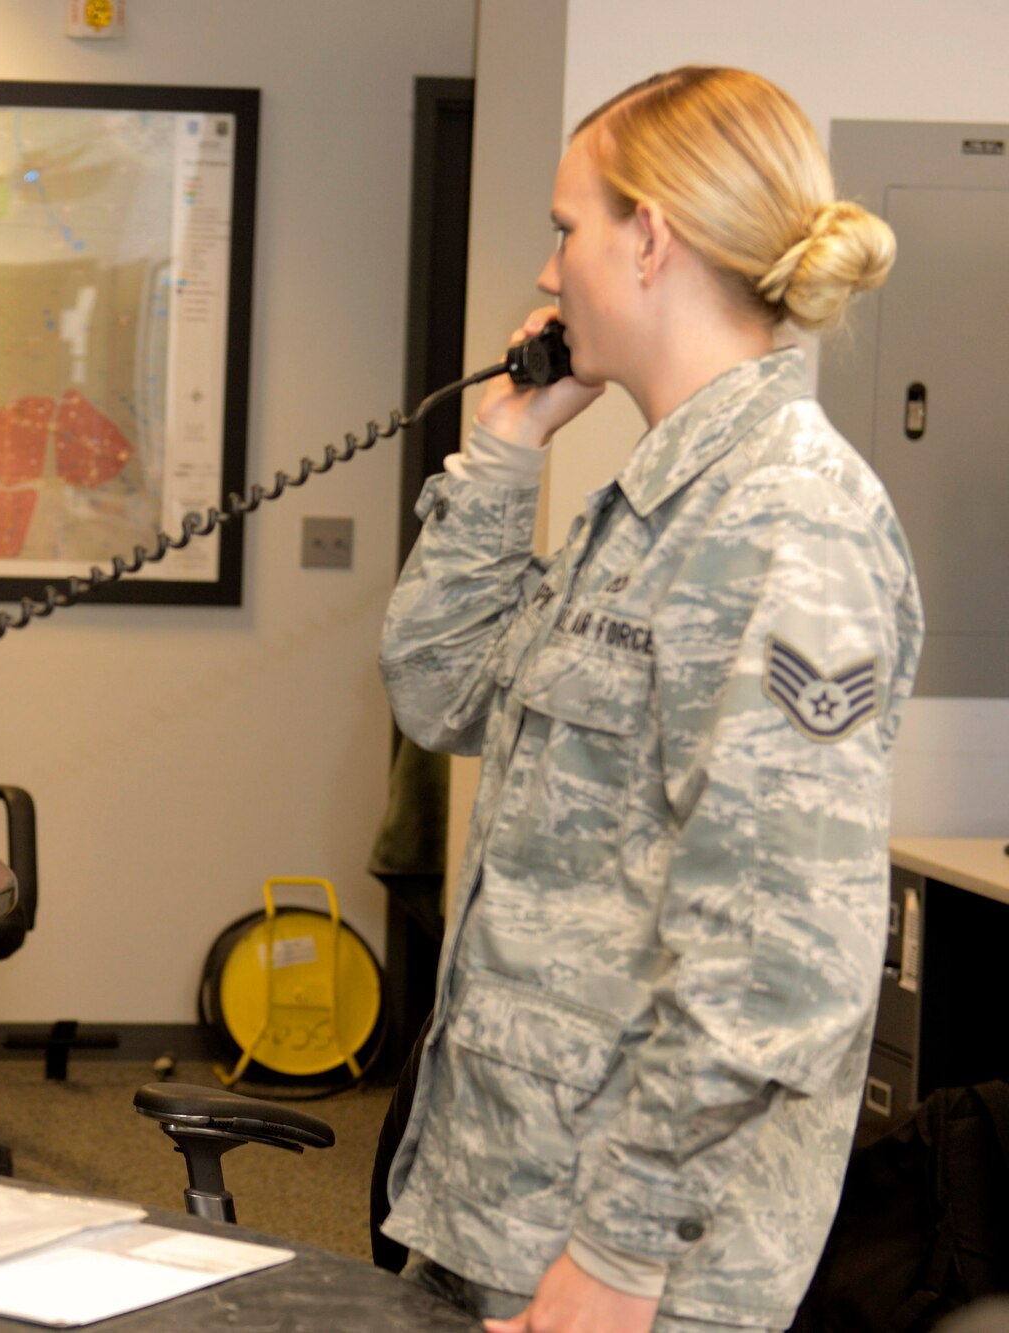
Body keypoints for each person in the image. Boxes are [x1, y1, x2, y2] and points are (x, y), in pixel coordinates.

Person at [378, 67, 921, 1333]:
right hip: (505, 1191)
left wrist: (621, 1253)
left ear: (649, 236)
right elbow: (438, 688)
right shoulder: (650, 509)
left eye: (567, 227)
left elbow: (780, 957)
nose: (550, 271)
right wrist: (510, 446)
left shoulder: (786, 522)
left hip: (625, 1255)